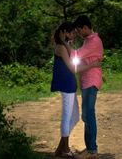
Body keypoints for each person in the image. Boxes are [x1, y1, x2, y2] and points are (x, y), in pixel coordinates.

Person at [73, 15, 103, 157]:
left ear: (85, 27)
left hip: (91, 80)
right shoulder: (87, 41)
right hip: (86, 81)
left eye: (79, 31)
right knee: (86, 115)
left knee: (89, 114)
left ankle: (92, 150)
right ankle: (89, 148)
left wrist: (63, 44)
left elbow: (77, 55)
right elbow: (79, 61)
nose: (78, 34)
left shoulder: (94, 41)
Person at [50, 22, 79, 157]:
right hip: (66, 84)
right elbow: (72, 67)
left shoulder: (64, 46)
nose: (73, 35)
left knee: (75, 117)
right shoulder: (60, 47)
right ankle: (65, 150)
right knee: (67, 117)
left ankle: (60, 148)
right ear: (65, 32)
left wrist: (66, 41)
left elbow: (72, 54)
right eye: (71, 32)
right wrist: (90, 66)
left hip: (70, 84)